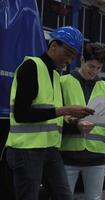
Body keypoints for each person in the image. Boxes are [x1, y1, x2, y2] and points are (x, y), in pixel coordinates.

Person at [5, 26, 94, 200]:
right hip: (27, 149)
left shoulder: (54, 75)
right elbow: (21, 114)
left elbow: (53, 114)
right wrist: (66, 109)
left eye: (73, 56)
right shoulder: (31, 67)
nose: (69, 60)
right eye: (67, 54)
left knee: (64, 195)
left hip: (50, 149)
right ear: (53, 45)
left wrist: (75, 121)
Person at [59, 43, 105, 200]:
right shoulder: (63, 82)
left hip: (97, 155)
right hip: (68, 154)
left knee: (95, 198)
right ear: (82, 60)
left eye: (99, 68)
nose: (94, 71)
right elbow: (57, 116)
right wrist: (76, 124)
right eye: (91, 66)